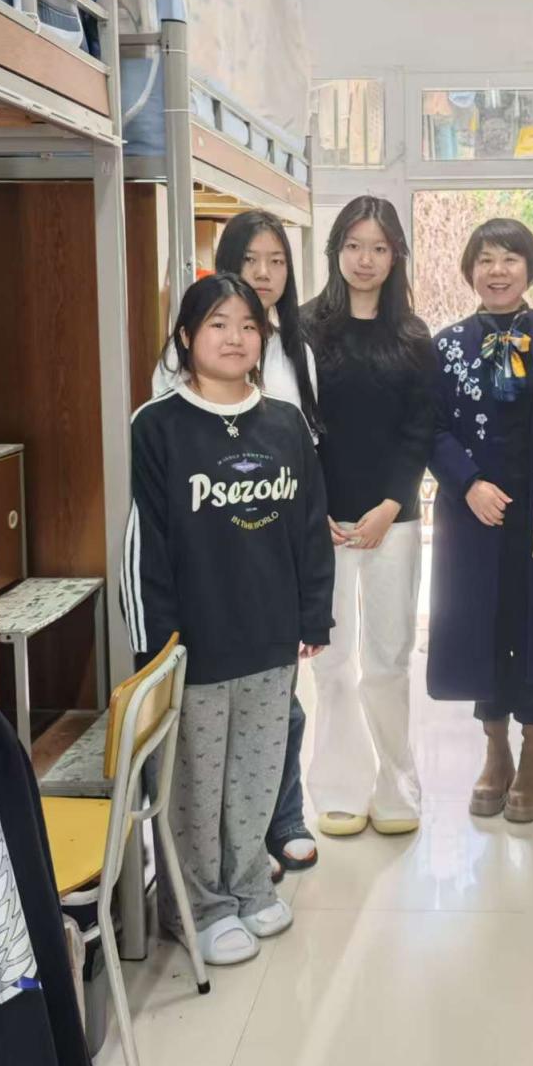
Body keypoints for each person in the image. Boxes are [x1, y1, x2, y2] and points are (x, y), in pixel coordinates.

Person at [122, 274, 334, 966]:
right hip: (194, 643)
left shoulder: (286, 423)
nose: (236, 337)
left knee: (256, 772)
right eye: (218, 324)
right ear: (187, 336)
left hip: (270, 636)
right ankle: (199, 907)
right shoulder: (157, 425)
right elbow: (145, 544)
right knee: (192, 781)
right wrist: (159, 646)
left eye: (248, 325)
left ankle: (248, 885)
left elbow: (309, 526)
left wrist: (313, 615)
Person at [154, 211, 321, 881]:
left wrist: (312, 598)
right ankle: (220, 864)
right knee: (214, 733)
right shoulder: (173, 389)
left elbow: (306, 454)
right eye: (252, 259)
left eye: (277, 260)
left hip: (270, 567)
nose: (265, 272)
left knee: (278, 712)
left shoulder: (294, 350)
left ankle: (275, 829)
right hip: (211, 573)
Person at [427, 218, 533, 824]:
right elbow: (428, 425)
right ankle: (494, 747)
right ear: (469, 270)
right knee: (483, 623)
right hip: (471, 514)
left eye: (509, 259)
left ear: (530, 268)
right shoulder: (445, 344)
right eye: (485, 259)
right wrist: (467, 483)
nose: (496, 271)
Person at [301, 196, 436, 837]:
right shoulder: (303, 330)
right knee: (330, 662)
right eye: (354, 245)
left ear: (395, 256)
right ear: (336, 250)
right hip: (321, 520)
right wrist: (317, 508)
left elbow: (421, 428)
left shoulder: (413, 336)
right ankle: (338, 787)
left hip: (394, 521)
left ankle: (395, 785)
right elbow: (296, 428)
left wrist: (390, 504)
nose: (365, 259)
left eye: (379, 247)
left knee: (388, 659)